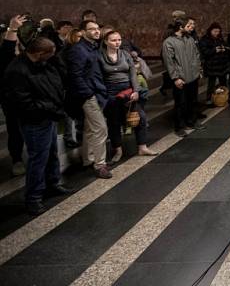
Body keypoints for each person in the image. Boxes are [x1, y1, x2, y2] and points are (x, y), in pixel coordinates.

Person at [3, 37, 74, 215]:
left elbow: (60, 78)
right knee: (38, 159)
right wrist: (48, 106)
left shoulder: (43, 63)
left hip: (48, 116)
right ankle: (33, 197)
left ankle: (52, 184)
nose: (53, 57)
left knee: (51, 153)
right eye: (50, 54)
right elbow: (23, 102)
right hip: (34, 121)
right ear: (40, 54)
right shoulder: (17, 71)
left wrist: (56, 59)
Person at [66, 20, 112, 179]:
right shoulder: (78, 50)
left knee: (90, 129)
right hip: (89, 95)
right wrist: (88, 94)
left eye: (97, 28)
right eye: (91, 29)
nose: (96, 31)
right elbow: (75, 76)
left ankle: (88, 159)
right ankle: (100, 165)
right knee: (100, 129)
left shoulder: (93, 48)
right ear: (83, 32)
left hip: (96, 93)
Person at [99, 31, 154, 160]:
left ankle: (142, 147)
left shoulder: (125, 54)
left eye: (119, 40)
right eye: (113, 40)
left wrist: (135, 91)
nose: (117, 42)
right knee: (114, 122)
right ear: (106, 41)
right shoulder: (99, 56)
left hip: (128, 89)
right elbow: (99, 76)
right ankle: (118, 150)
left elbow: (133, 74)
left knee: (140, 118)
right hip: (111, 92)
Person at [162, 17, 204, 137]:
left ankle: (192, 121)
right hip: (181, 78)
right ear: (181, 27)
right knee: (180, 103)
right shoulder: (169, 42)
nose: (192, 27)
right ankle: (179, 126)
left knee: (193, 101)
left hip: (193, 76)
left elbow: (196, 55)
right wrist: (175, 78)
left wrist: (198, 70)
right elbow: (169, 62)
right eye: (189, 25)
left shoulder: (189, 39)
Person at [1, 15, 26, 176]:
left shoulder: (26, 52)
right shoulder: (4, 55)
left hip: (32, 98)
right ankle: (17, 159)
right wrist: (13, 28)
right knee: (15, 130)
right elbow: (8, 49)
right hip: (12, 100)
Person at [199, 22, 230, 104]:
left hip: (222, 65)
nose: (217, 33)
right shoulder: (205, 39)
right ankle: (209, 99)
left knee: (223, 83)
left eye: (218, 31)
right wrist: (214, 50)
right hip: (211, 66)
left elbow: (227, 47)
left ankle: (225, 97)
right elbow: (204, 51)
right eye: (215, 31)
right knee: (211, 84)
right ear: (210, 30)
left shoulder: (220, 38)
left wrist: (224, 49)